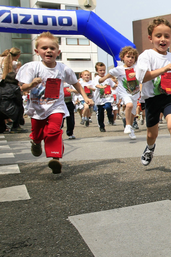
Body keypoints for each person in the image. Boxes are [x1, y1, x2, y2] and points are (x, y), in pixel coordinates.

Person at [16, 32, 93, 174]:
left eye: (52, 48)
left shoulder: (63, 69)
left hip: (56, 106)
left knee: (54, 130)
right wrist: (31, 84)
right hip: (38, 108)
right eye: (44, 48)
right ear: (37, 51)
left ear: (58, 52)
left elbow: (76, 83)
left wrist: (85, 97)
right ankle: (36, 142)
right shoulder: (32, 67)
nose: (48, 51)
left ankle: (55, 158)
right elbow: (23, 88)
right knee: (38, 134)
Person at [134, 17, 171, 172]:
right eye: (158, 36)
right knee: (152, 134)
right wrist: (164, 69)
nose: (162, 39)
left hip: (169, 96)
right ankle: (150, 148)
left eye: (166, 36)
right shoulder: (147, 55)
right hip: (152, 98)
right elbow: (142, 77)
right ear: (150, 38)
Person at [106, 46, 141, 140]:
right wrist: (102, 79)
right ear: (123, 57)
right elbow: (110, 73)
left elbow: (144, 73)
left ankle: (130, 128)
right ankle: (128, 125)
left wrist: (135, 74)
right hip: (124, 93)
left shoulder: (137, 68)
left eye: (132, 57)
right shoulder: (119, 69)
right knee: (129, 105)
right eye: (128, 56)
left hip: (135, 93)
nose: (130, 59)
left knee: (133, 113)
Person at [92, 62, 115, 132]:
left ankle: (110, 117)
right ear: (97, 71)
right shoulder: (97, 78)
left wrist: (118, 84)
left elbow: (113, 85)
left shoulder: (108, 79)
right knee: (100, 113)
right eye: (100, 70)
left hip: (107, 98)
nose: (102, 72)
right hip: (99, 99)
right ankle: (101, 126)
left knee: (108, 107)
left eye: (104, 70)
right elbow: (96, 85)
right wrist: (102, 87)